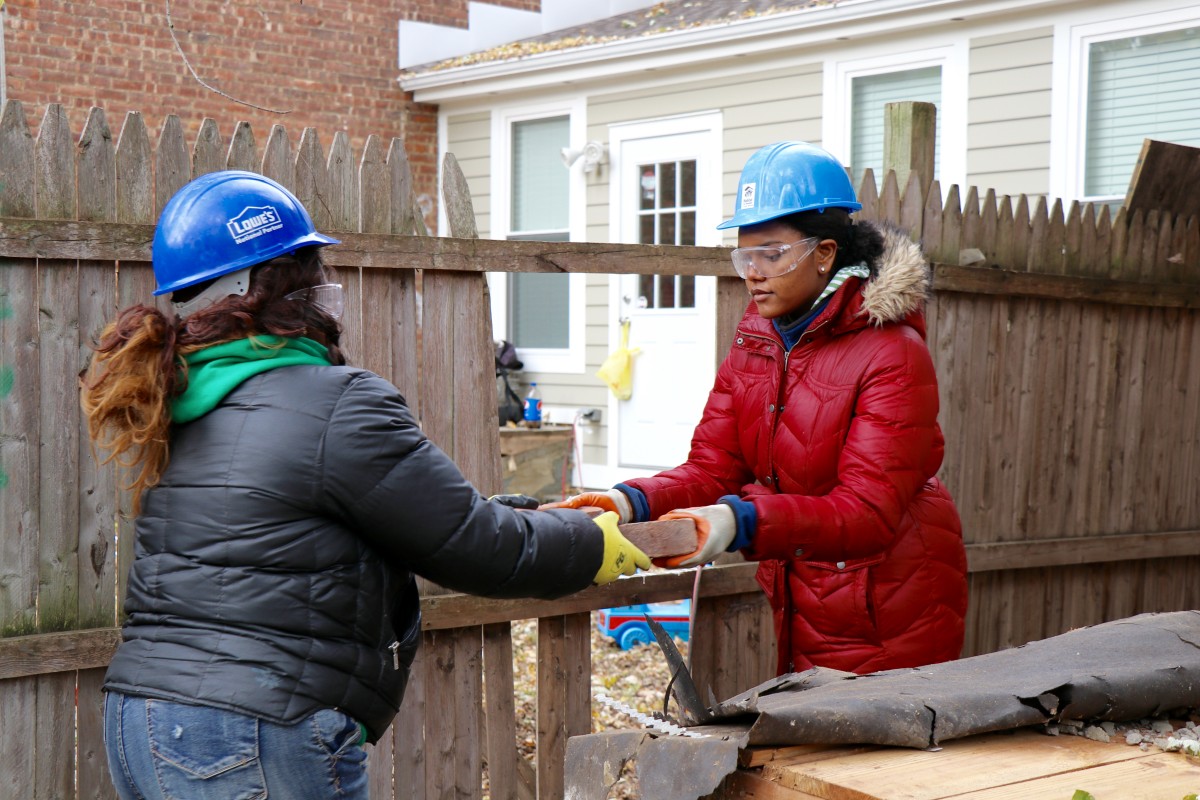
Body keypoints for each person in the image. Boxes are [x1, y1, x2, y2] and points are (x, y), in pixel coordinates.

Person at [80, 170, 650, 799]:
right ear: (280, 293)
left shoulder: (181, 406)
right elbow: (482, 549)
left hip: (140, 722)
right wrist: (592, 543)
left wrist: (512, 515)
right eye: (312, 277)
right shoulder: (337, 404)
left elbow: (300, 538)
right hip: (254, 731)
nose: (327, 298)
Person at [549, 141, 967, 677]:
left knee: (871, 759)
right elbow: (713, 466)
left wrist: (740, 520)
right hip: (805, 595)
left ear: (825, 254)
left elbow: (867, 514)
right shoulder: (758, 341)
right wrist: (626, 502)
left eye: (772, 254)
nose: (753, 272)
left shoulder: (891, 353)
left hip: (890, 605)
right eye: (744, 255)